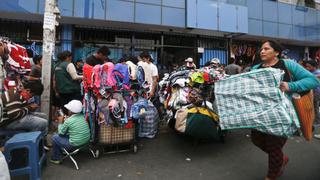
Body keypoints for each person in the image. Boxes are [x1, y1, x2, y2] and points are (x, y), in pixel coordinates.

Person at [251, 40, 319, 180]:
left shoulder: (288, 65)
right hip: (261, 114)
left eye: (266, 48)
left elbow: (313, 81)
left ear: (276, 52)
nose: (262, 51)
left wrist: (290, 86)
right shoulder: (256, 68)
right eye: (261, 49)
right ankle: (281, 159)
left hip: (283, 114)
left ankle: (272, 175)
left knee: (274, 145)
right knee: (256, 139)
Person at [50, 100, 90, 164]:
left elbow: (60, 133)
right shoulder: (83, 116)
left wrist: (60, 122)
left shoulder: (69, 121)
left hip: (75, 144)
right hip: (85, 142)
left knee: (55, 137)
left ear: (70, 111)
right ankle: (63, 151)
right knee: (68, 134)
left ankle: (56, 158)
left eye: (68, 109)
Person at [304, 60, 320, 138]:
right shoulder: (313, 72)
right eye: (306, 66)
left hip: (316, 92)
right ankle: (315, 120)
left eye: (309, 66)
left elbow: (314, 78)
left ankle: (316, 121)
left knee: (314, 106)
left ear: (314, 67)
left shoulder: (317, 72)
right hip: (313, 92)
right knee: (313, 106)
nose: (307, 68)